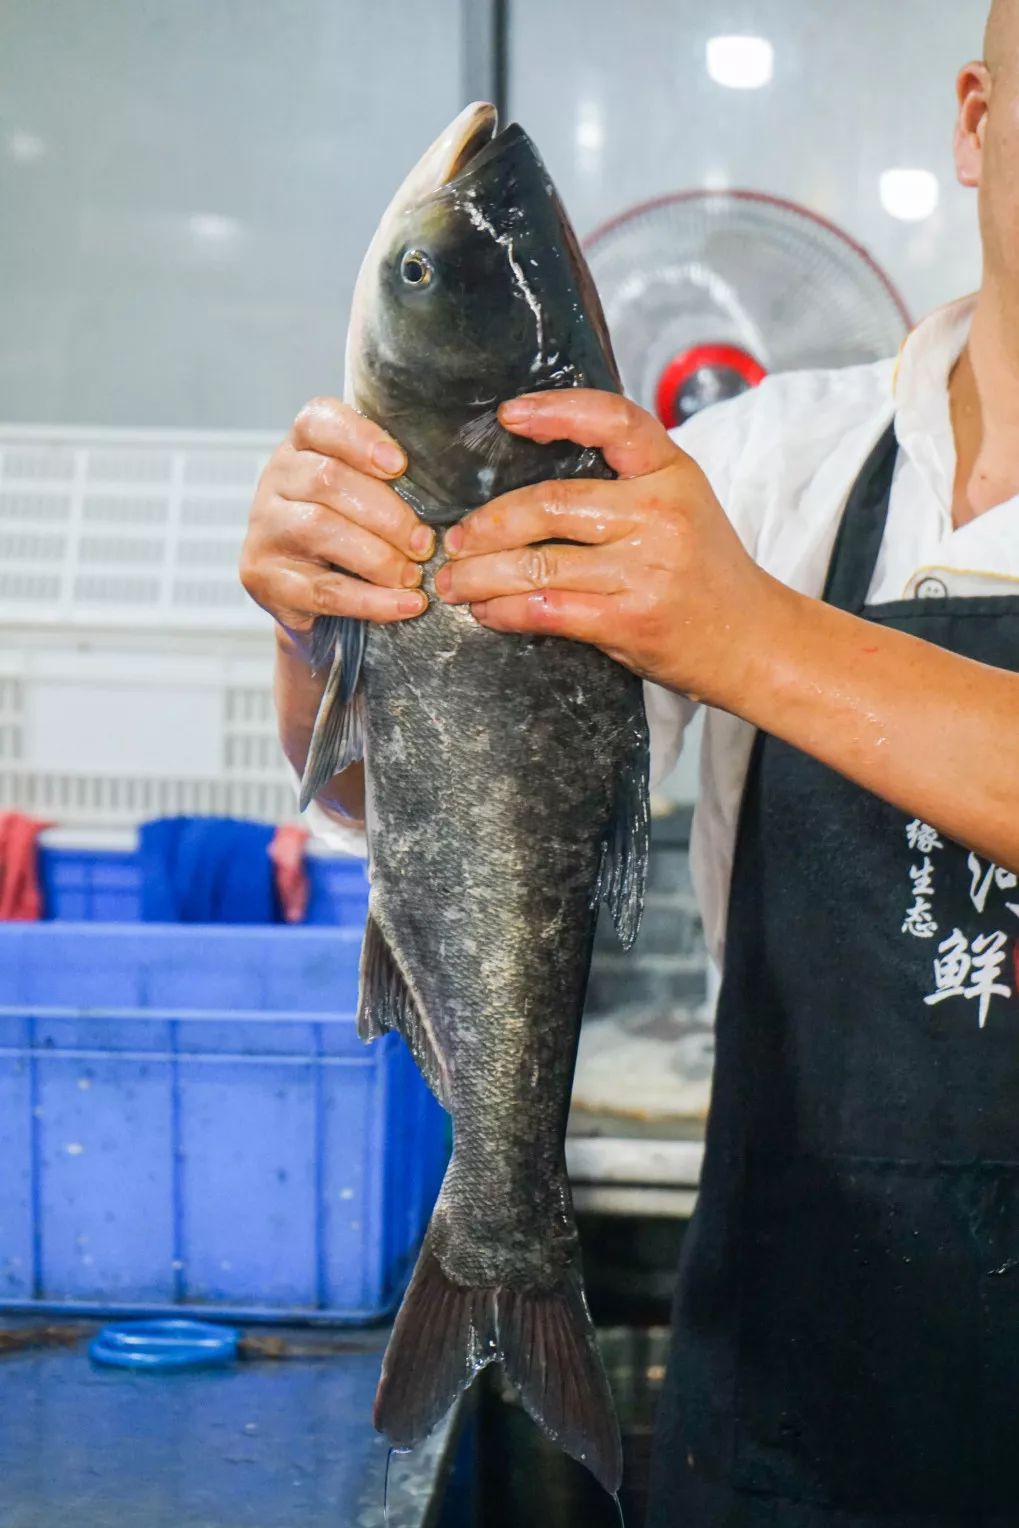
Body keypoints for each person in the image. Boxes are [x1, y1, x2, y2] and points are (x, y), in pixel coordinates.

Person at [242, 4, 1019, 1520]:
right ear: (981, 120)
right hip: (796, 1391)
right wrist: (327, 622)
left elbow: (732, 640)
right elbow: (415, 797)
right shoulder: (770, 465)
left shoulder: (725, 546)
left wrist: (754, 638)